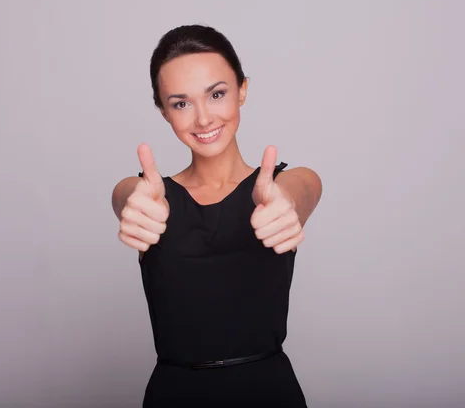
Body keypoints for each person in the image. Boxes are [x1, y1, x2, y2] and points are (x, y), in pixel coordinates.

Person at [111, 24, 322, 407]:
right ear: (163, 111)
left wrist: (287, 201)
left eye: (217, 94)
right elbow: (127, 197)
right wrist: (130, 201)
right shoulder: (148, 196)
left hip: (269, 395)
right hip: (173, 397)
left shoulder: (283, 186)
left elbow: (303, 191)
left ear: (242, 90)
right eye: (181, 103)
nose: (204, 119)